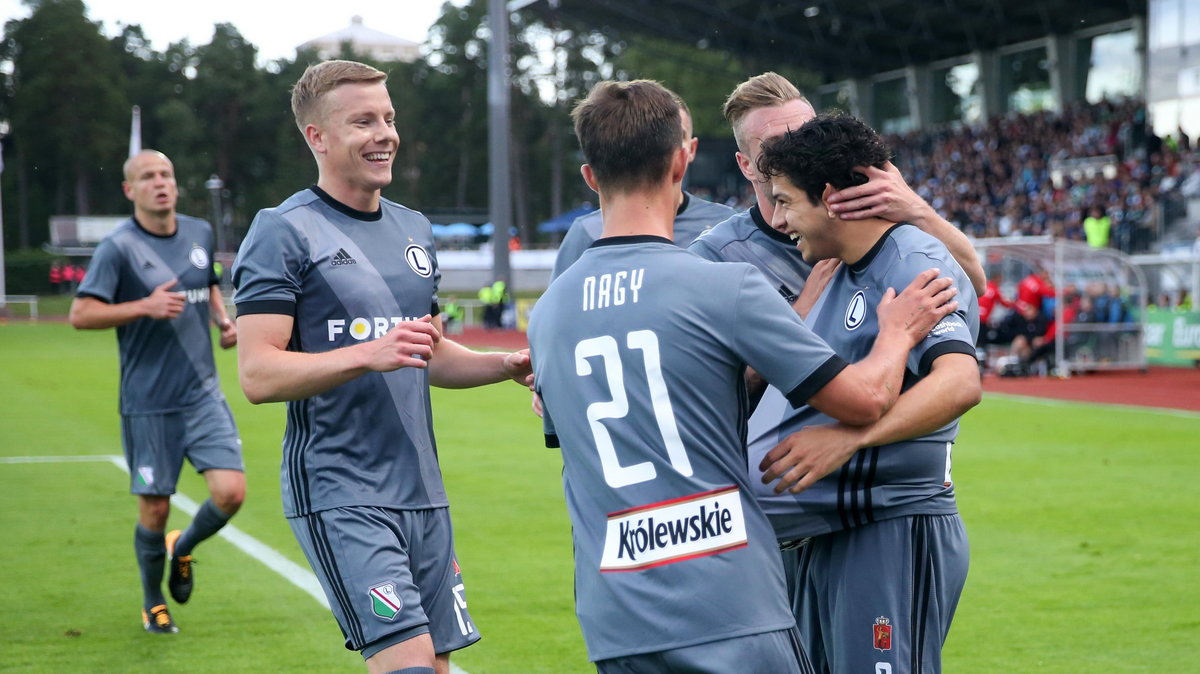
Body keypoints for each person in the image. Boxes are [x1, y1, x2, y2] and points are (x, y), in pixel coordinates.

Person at [528, 79, 959, 673]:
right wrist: (895, 335)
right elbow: (863, 401)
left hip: (616, 612)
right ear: (683, 160)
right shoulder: (720, 284)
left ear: (590, 176)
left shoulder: (550, 312)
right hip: (726, 596)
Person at [231, 60, 532, 674]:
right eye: (362, 121)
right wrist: (368, 353)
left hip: (424, 493)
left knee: (435, 666)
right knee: (409, 668)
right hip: (342, 491)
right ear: (317, 137)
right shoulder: (283, 231)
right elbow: (258, 374)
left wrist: (505, 364)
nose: (384, 133)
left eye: (389, 119)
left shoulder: (414, 229)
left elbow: (427, 354)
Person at [753, 112, 982, 674]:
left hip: (887, 531)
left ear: (829, 197)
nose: (779, 221)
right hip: (826, 534)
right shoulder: (837, 269)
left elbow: (960, 381)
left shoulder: (913, 262)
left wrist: (845, 441)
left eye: (785, 201)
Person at [69, 149, 244, 635]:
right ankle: (152, 601)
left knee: (231, 493)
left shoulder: (199, 233)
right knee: (155, 506)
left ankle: (182, 547)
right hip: (147, 402)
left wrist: (223, 321)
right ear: (130, 190)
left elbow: (205, 283)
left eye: (166, 174)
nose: (160, 183)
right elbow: (81, 314)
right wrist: (142, 306)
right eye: (148, 177)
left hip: (202, 393)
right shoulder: (117, 248)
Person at [689, 72, 986, 308]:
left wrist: (917, 211)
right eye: (778, 144)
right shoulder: (716, 256)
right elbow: (707, 376)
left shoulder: (867, 215)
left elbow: (974, 284)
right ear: (746, 166)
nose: (797, 151)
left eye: (807, 134)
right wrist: (801, 315)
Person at [550, 93, 735, 279]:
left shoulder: (725, 224)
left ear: (691, 150)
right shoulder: (588, 229)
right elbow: (563, 301)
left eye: (680, 136)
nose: (669, 145)